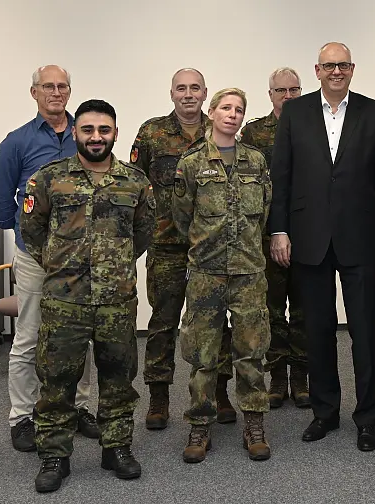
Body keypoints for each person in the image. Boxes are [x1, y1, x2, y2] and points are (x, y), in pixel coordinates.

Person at [20, 99, 155, 492]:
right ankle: (54, 455)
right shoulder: (49, 179)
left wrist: (113, 264)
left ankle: (117, 448)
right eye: (88, 130)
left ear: (115, 133)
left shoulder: (135, 182)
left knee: (119, 378)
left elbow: (143, 232)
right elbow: (32, 230)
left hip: (116, 300)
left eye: (104, 130)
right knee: (57, 380)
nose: (96, 137)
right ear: (75, 132)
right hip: (65, 300)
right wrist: (61, 265)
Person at [269, 42, 375, 452]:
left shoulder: (373, 111)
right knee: (318, 329)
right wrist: (279, 230)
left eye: (343, 65)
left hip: (360, 235)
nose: (336, 71)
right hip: (308, 236)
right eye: (329, 65)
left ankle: (368, 417)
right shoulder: (295, 111)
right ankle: (324, 412)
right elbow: (281, 176)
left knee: (364, 330)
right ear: (317, 70)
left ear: (352, 69)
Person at [0, 65, 99, 453]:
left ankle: (79, 408)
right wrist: (28, 237)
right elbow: (3, 205)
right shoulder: (16, 142)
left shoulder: (85, 136)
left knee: (80, 335)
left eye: (62, 86)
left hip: (80, 257)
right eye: (48, 86)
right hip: (35, 257)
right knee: (30, 335)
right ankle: (22, 416)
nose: (56, 92)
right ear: (34, 92)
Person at [131, 68, 236, 429]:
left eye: (195, 88)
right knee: (163, 321)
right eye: (181, 88)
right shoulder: (152, 133)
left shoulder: (219, 129)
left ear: (205, 93)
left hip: (211, 246)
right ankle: (159, 397)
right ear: (172, 93)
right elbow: (136, 185)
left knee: (215, 321)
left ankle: (219, 392)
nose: (188, 94)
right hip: (167, 245)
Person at [173, 88, 272, 463]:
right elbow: (182, 217)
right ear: (212, 112)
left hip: (248, 271)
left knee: (251, 351)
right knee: (203, 354)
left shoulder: (256, 161)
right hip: (207, 272)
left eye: (239, 109)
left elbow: (264, 213)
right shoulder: (192, 163)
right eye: (226, 108)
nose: (233, 114)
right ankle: (200, 425)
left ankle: (254, 424)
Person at [239, 67, 309, 409]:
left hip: (308, 231)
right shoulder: (254, 133)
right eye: (281, 90)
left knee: (304, 309)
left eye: (294, 90)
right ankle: (278, 376)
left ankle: (301, 377)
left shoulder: (314, 126)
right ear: (270, 95)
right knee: (272, 310)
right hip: (266, 235)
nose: (288, 96)